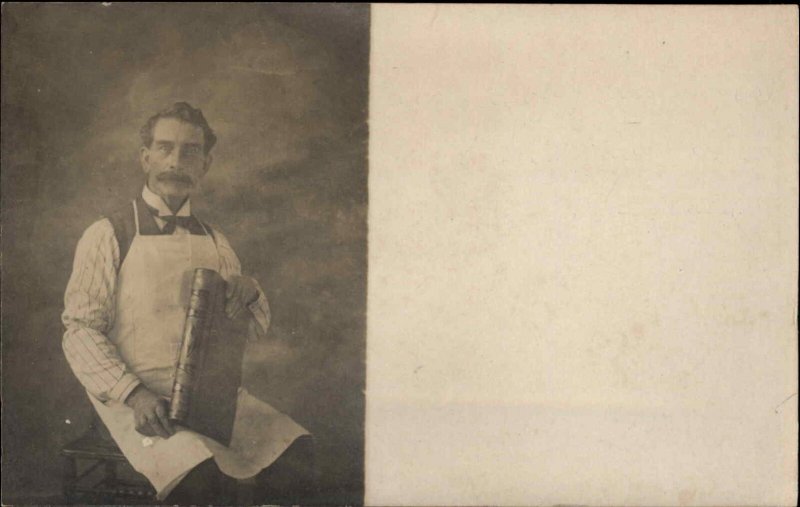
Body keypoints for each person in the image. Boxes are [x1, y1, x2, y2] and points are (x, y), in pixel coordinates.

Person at [62, 102, 316, 505]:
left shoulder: (215, 240)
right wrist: (135, 394)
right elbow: (79, 332)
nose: (175, 162)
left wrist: (249, 291)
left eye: (189, 152)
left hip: (211, 399)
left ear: (206, 164)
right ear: (145, 157)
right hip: (140, 399)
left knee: (303, 462)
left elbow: (252, 326)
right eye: (164, 148)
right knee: (206, 484)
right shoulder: (108, 233)